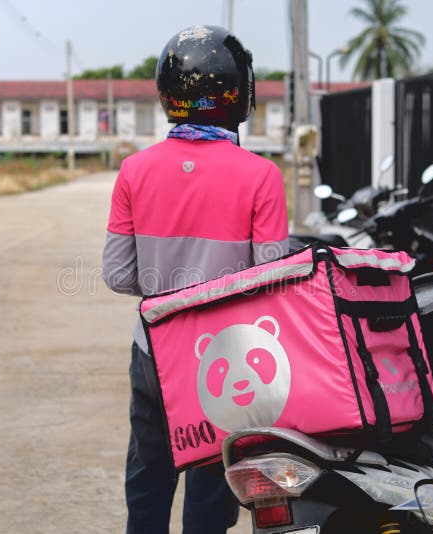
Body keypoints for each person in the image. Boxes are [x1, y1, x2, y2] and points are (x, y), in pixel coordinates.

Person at [102, 25, 289, 534]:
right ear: (238, 94)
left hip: (153, 350)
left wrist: (169, 285)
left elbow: (118, 274)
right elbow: (272, 285)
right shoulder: (261, 176)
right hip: (225, 364)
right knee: (211, 493)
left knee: (147, 477)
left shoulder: (134, 171)